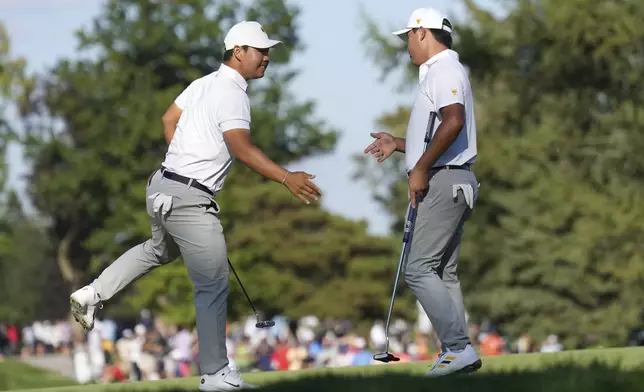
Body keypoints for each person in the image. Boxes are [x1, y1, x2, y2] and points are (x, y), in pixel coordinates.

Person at [69, 20, 321, 391]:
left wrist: (182, 161)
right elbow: (241, 148)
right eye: (261, 50)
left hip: (162, 186)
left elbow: (168, 119)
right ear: (239, 52)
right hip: (188, 197)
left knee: (158, 250)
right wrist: (286, 177)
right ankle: (216, 374)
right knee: (213, 282)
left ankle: (93, 292)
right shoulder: (234, 93)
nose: (267, 57)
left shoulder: (202, 83)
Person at [364, 7, 482, 376]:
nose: (407, 46)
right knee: (444, 273)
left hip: (443, 180)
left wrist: (419, 168)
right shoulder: (443, 70)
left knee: (418, 269)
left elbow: (454, 121)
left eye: (407, 39)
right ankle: (457, 351)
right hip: (455, 178)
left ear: (422, 33)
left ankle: (459, 348)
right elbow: (441, 132)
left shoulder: (443, 69)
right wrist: (399, 144)